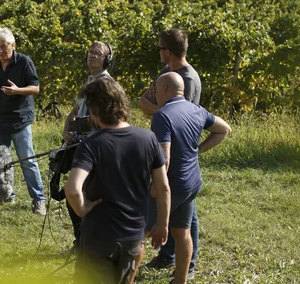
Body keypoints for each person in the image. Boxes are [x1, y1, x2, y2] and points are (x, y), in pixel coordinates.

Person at [65, 77, 171, 284]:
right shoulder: (148, 139)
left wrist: (82, 209)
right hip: (133, 235)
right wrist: (162, 224)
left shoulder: (91, 145)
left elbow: (72, 189)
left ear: (94, 112)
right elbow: (163, 187)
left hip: (99, 236)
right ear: (123, 104)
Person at [148, 72, 232, 284]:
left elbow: (164, 158)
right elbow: (224, 129)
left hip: (172, 184)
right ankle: (181, 280)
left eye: (156, 90)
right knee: (182, 232)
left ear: (165, 89)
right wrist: (197, 150)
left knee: (140, 233)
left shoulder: (162, 116)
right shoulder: (196, 110)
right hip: (192, 183)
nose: (155, 94)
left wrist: (155, 186)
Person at [138, 28, 202, 274]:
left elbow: (182, 115)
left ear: (168, 51)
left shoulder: (188, 79)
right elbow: (143, 100)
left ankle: (189, 265)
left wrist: (158, 110)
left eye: (159, 49)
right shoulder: (167, 73)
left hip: (179, 153)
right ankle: (167, 255)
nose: (158, 53)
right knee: (177, 209)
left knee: (186, 212)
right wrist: (159, 109)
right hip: (164, 144)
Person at [0, 27, 46, 215]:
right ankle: (6, 196)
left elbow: (35, 88)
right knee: (0, 161)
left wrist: (18, 91)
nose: (1, 51)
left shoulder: (24, 62)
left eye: (4, 46)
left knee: (27, 160)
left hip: (20, 118)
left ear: (13, 45)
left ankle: (39, 200)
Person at [60, 41, 114, 247]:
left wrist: (82, 127)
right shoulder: (89, 81)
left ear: (107, 60)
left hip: (96, 148)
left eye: (98, 54)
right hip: (80, 146)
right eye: (90, 52)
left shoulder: (105, 84)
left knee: (84, 194)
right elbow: (75, 111)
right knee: (74, 194)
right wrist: (67, 129)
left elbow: (108, 118)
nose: (92, 56)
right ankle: (81, 241)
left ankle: (88, 242)